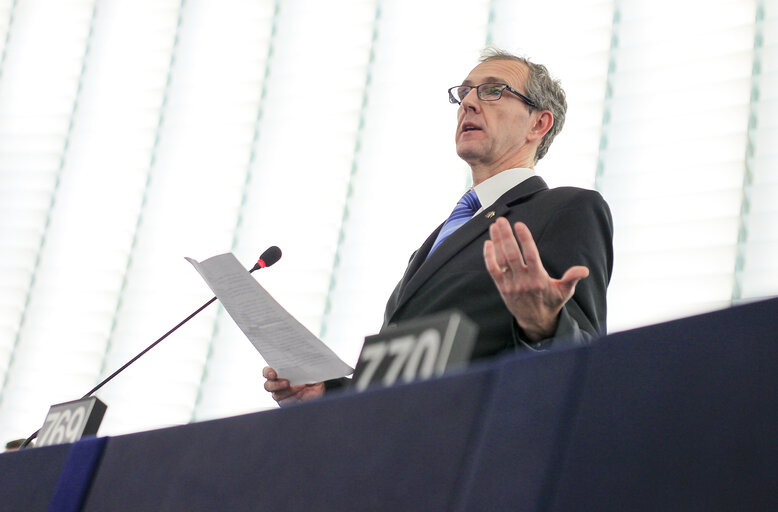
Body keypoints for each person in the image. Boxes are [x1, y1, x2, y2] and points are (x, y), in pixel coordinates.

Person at [264, 48, 613, 406]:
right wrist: (327, 391)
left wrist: (545, 325)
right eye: (464, 93)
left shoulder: (567, 209)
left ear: (539, 124)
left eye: (492, 90)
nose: (469, 103)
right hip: (401, 443)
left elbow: (584, 357)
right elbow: (407, 365)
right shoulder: (438, 240)